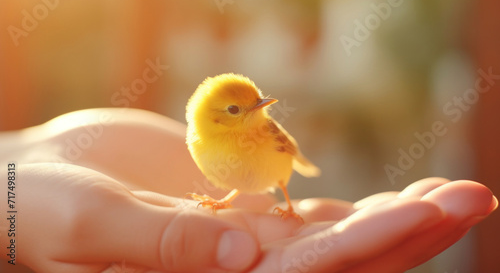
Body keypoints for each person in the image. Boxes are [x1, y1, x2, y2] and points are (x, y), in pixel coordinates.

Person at [0, 108, 497, 273]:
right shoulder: (205, 139)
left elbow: (281, 158)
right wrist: (12, 198)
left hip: (276, 183)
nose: (260, 109)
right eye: (243, 108)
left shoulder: (262, 131)